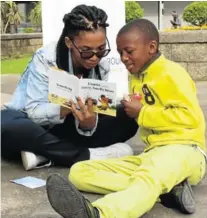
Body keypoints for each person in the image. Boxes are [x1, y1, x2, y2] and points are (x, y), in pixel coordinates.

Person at [46, 19, 206, 218]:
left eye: (129, 51)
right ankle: (170, 192)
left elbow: (190, 117)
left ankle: (99, 213)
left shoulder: (171, 73)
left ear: (151, 47)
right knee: (79, 172)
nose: (124, 58)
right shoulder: (137, 76)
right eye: (120, 52)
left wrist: (142, 112)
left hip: (185, 150)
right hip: (152, 155)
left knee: (149, 176)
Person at [1, 4, 138, 171]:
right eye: (86, 51)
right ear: (69, 42)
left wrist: (89, 122)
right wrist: (65, 108)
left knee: (127, 116)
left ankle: (45, 155)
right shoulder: (46, 59)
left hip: (69, 130)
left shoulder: (102, 66)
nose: (95, 58)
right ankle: (86, 155)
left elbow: (96, 115)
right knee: (5, 124)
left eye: (101, 50)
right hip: (34, 125)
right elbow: (33, 112)